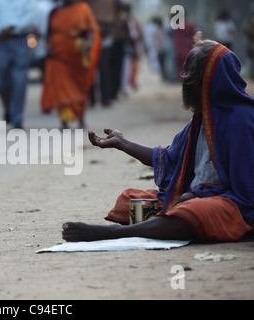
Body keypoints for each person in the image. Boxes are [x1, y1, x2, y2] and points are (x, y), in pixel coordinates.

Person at [62, 33, 254, 243]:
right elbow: (168, 159)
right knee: (127, 201)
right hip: (195, 197)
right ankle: (167, 223)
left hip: (233, 206)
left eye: (190, 75)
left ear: (208, 78)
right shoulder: (201, 118)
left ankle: (109, 234)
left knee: (191, 211)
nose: (184, 81)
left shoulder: (241, 119)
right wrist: (122, 143)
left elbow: (246, 193)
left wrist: (200, 196)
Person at [41, 0, 101, 129]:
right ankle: (64, 122)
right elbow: (48, 33)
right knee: (60, 86)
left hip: (77, 54)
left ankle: (81, 118)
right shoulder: (54, 12)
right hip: (57, 54)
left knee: (79, 86)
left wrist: (89, 44)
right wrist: (48, 47)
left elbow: (91, 30)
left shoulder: (82, 8)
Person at [0, 0, 36, 129]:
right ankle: (9, 107)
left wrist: (11, 27)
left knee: (19, 80)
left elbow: (29, 17)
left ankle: (17, 119)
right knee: (0, 78)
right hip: (1, 43)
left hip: (20, 41)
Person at [85, 0, 116, 107]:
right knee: (91, 68)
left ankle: (105, 98)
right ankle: (91, 98)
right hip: (91, 37)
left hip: (104, 38)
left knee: (104, 69)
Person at [245, 14, 254, 80]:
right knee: (251, 59)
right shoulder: (250, 29)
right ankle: (251, 73)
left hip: (251, 44)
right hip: (251, 44)